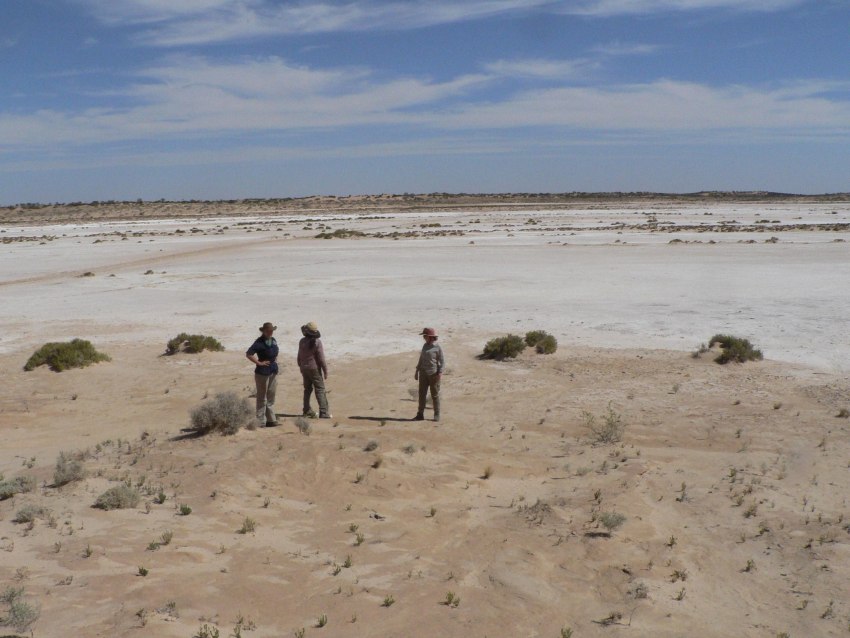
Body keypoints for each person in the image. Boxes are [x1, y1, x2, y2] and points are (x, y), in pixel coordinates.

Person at [245, 322, 280, 427]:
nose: (270, 332)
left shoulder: (273, 341)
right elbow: (249, 354)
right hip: (262, 372)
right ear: (264, 331)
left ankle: (271, 419)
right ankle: (260, 420)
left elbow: (275, 353)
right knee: (262, 396)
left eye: (272, 331)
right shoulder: (259, 342)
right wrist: (259, 363)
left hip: (273, 370)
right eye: (268, 331)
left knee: (271, 395)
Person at [297, 321, 331, 419]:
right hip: (314, 369)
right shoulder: (317, 342)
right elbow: (321, 358)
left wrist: (301, 366)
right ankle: (323, 412)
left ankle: (306, 410)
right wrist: (325, 370)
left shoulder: (302, 341)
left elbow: (299, 356)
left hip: (304, 368)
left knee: (307, 389)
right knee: (320, 389)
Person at [414, 327, 445, 422]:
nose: (424, 337)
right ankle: (420, 414)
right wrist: (417, 370)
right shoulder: (424, 346)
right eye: (424, 336)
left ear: (431, 337)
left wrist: (440, 372)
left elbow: (442, 361)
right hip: (423, 374)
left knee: (434, 395)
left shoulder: (437, 347)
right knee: (421, 394)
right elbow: (421, 359)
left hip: (433, 374)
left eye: (425, 336)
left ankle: (437, 414)